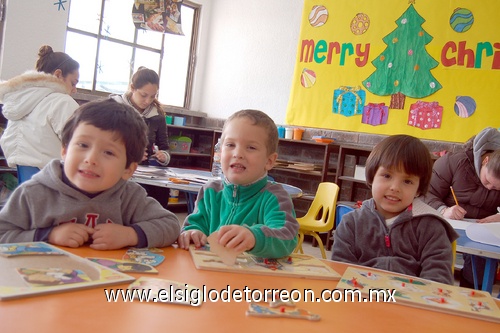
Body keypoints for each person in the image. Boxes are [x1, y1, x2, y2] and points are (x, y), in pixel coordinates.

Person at [0, 99, 180, 250]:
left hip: (107, 287)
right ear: (64, 150)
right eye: (83, 145)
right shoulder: (34, 193)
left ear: (128, 169)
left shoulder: (129, 196)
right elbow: (3, 234)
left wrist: (131, 235)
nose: (91, 159)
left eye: (108, 153)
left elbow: (170, 226)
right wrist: (48, 235)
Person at [331, 135, 459, 285]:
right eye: (387, 175)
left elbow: (438, 280)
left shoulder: (431, 227)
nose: (395, 187)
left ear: (418, 190)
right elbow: (340, 273)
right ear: (372, 177)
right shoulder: (351, 223)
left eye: (407, 181)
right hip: (361, 300)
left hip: (411, 303)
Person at [177, 109, 299, 258]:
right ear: (220, 152)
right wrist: (192, 233)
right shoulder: (210, 191)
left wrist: (254, 237)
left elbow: (287, 236)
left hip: (253, 279)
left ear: (269, 161)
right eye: (230, 145)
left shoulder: (275, 197)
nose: (238, 154)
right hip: (210, 275)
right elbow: (194, 225)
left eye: (251, 147)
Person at [424, 127, 500, 288]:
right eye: (487, 181)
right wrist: (443, 210)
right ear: (485, 161)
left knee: (479, 270)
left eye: (496, 189)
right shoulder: (453, 162)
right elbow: (426, 193)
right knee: (435, 263)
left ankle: (472, 300)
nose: (489, 188)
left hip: (483, 235)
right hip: (446, 226)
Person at [0, 45, 80, 171]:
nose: (74, 90)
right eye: (73, 83)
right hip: (55, 181)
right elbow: (80, 145)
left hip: (26, 182)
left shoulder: (17, 101)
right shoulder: (62, 101)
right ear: (58, 74)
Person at [110, 67, 171, 207]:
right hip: (116, 167)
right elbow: (102, 140)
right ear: (132, 88)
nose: (147, 101)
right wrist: (130, 153)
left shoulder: (157, 117)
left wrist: (163, 157)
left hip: (144, 172)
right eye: (143, 95)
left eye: (152, 96)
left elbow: (165, 148)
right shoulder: (113, 107)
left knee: (160, 192)